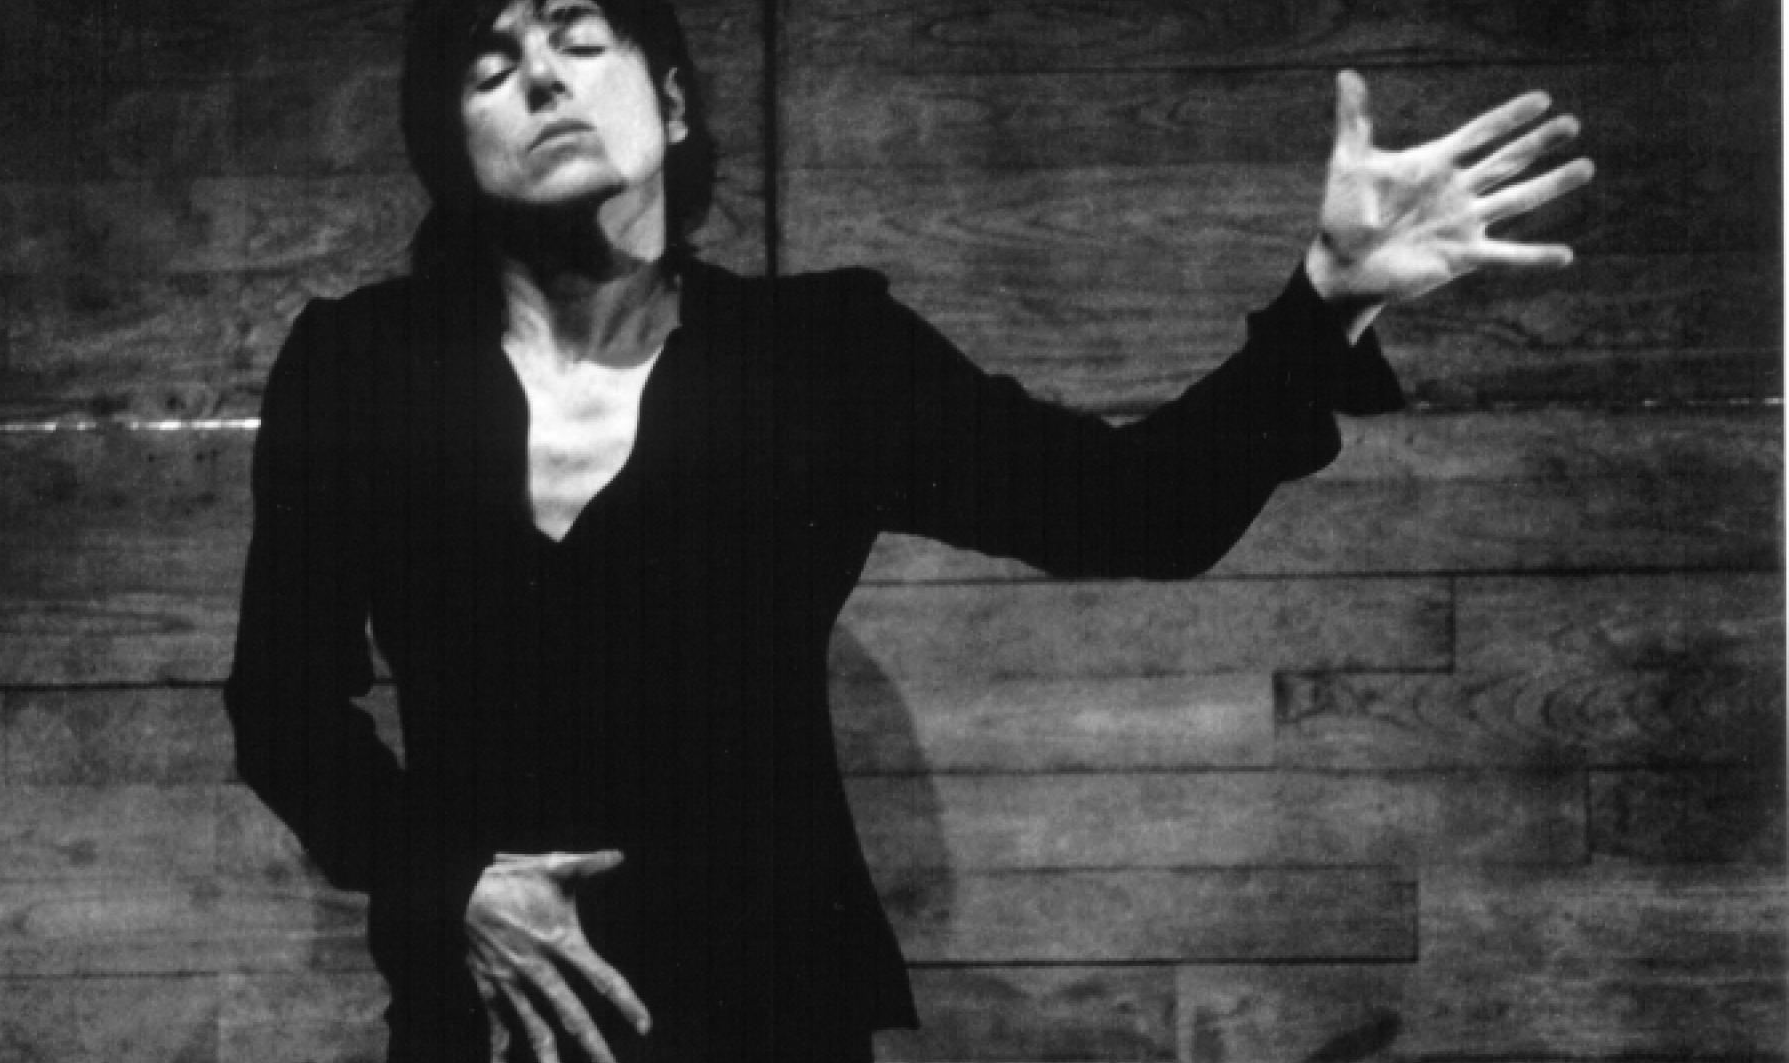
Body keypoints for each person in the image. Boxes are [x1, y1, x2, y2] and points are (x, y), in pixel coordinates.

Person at [221, 0, 1594, 1060]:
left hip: (770, 1007)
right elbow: (282, 704)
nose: (539, 77)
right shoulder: (359, 367)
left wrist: (1325, 302)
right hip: (486, 1017)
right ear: (449, 145)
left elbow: (1136, 507)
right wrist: (449, 883)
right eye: (488, 65)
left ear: (674, 101)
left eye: (581, 41)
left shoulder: (820, 354)